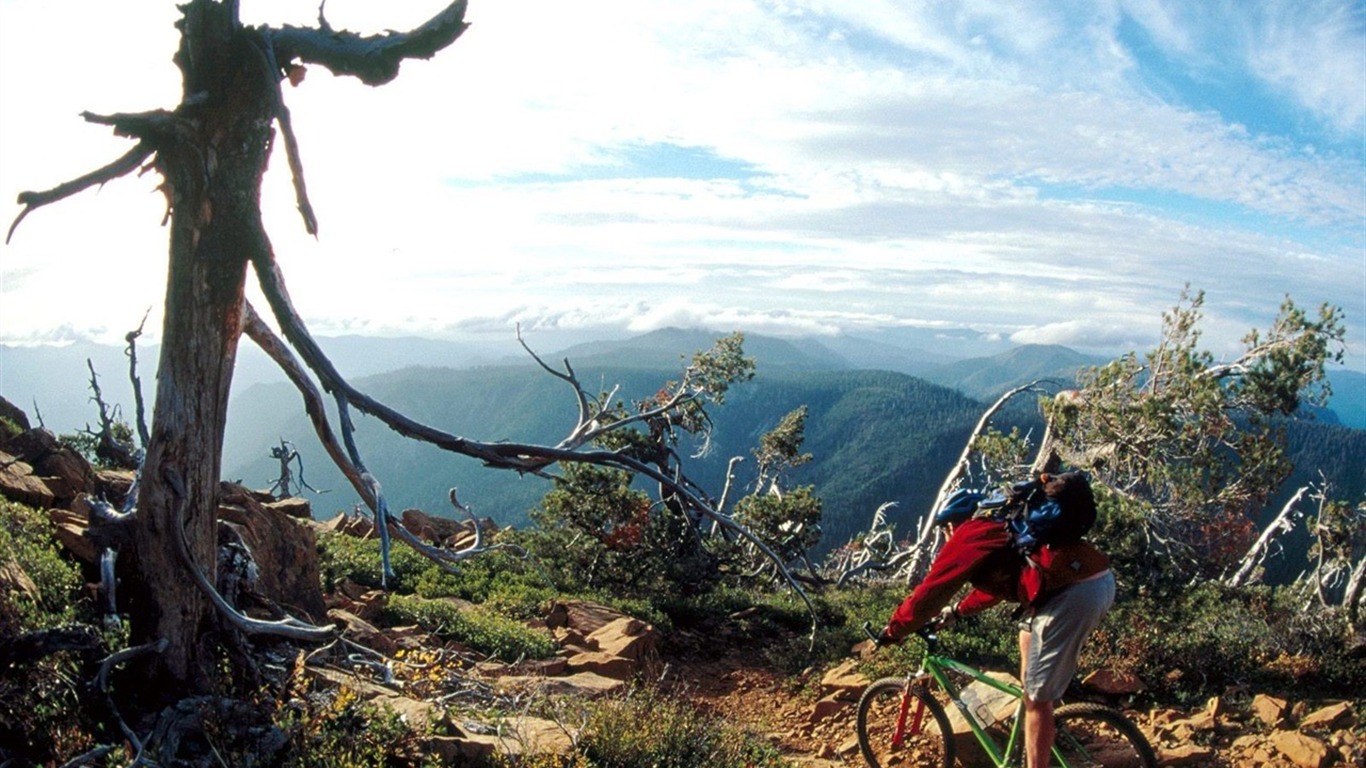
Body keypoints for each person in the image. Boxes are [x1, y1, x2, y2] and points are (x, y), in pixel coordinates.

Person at [879, 472, 1114, 768]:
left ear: (952, 523)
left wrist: (894, 630)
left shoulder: (969, 534)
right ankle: (1036, 726)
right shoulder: (1001, 529)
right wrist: (957, 611)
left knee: (1037, 701)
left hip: (1076, 595)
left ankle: (1039, 735)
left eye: (945, 529)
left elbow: (930, 594)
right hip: (1093, 583)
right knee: (1027, 639)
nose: (945, 536)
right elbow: (1002, 586)